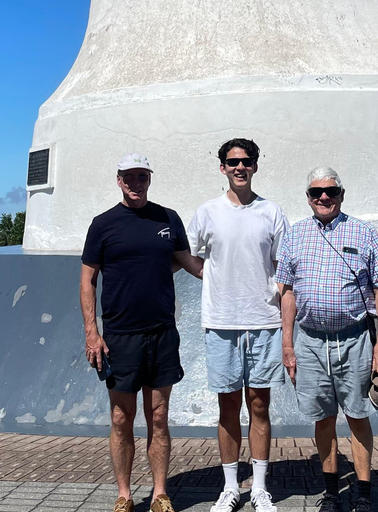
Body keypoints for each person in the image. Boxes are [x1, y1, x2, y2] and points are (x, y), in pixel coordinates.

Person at [80, 153, 202, 512]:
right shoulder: (103, 225)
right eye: (129, 177)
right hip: (119, 335)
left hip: (162, 331)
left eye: (142, 177)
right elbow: (87, 279)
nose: (136, 183)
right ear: (118, 180)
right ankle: (124, 494)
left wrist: (235, 268)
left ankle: (161, 493)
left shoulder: (168, 219)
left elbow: (191, 264)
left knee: (159, 417)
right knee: (121, 418)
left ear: (150, 179)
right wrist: (92, 331)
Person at [275, 168, 378, 512]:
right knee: (323, 418)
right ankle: (331, 493)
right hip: (311, 342)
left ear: (341, 194)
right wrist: (288, 345)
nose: (324, 198)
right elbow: (286, 293)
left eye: (330, 191)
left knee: (359, 415)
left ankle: (362, 493)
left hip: (355, 339)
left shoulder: (363, 232)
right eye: (316, 193)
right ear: (308, 197)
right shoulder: (295, 234)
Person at [187, 139, 289, 512]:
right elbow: (190, 254)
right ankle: (231, 488)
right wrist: (214, 280)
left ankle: (260, 489)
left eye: (246, 161)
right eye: (232, 162)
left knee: (259, 405)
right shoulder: (207, 212)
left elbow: (285, 264)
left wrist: (271, 294)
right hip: (221, 322)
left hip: (264, 321)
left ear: (255, 166)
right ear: (222, 168)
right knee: (227, 407)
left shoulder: (272, 212)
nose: (239, 167)